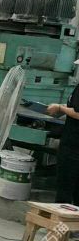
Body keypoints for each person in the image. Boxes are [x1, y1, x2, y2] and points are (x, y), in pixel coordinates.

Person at [48, 67, 79, 204]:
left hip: (73, 147)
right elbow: (74, 106)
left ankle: (60, 216)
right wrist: (62, 107)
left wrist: (60, 108)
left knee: (65, 189)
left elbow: (78, 113)